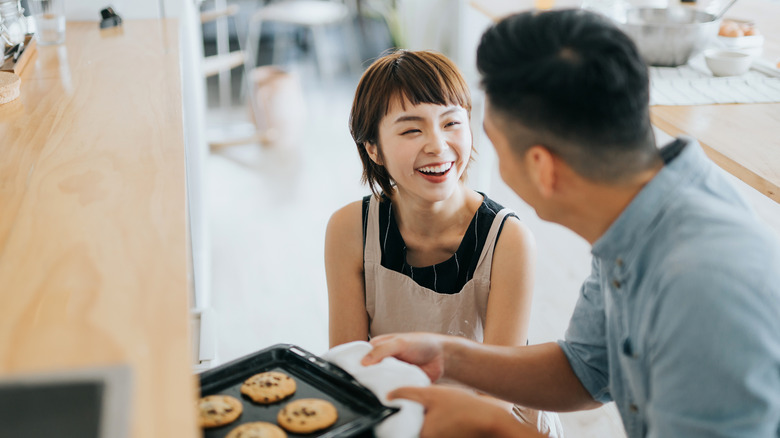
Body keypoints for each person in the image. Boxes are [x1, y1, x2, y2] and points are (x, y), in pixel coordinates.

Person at [360, 9, 780, 438]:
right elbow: (586, 368)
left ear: (542, 167)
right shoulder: (638, 215)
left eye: (497, 146)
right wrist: (449, 356)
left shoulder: (702, 283)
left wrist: (492, 426)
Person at [324, 49, 561, 434]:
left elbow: (498, 395)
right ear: (373, 148)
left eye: (451, 123)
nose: (437, 144)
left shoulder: (509, 240)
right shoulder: (350, 229)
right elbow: (350, 371)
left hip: (491, 422)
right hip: (398, 415)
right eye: (411, 129)